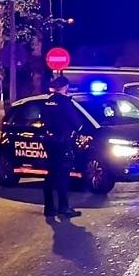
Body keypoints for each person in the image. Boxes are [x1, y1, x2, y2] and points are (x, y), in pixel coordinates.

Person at [39, 75, 83, 219]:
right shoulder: (65, 102)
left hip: (49, 141)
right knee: (63, 175)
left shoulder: (47, 102)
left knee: (51, 174)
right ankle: (63, 208)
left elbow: (43, 120)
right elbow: (77, 123)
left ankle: (49, 208)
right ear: (65, 87)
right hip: (62, 142)